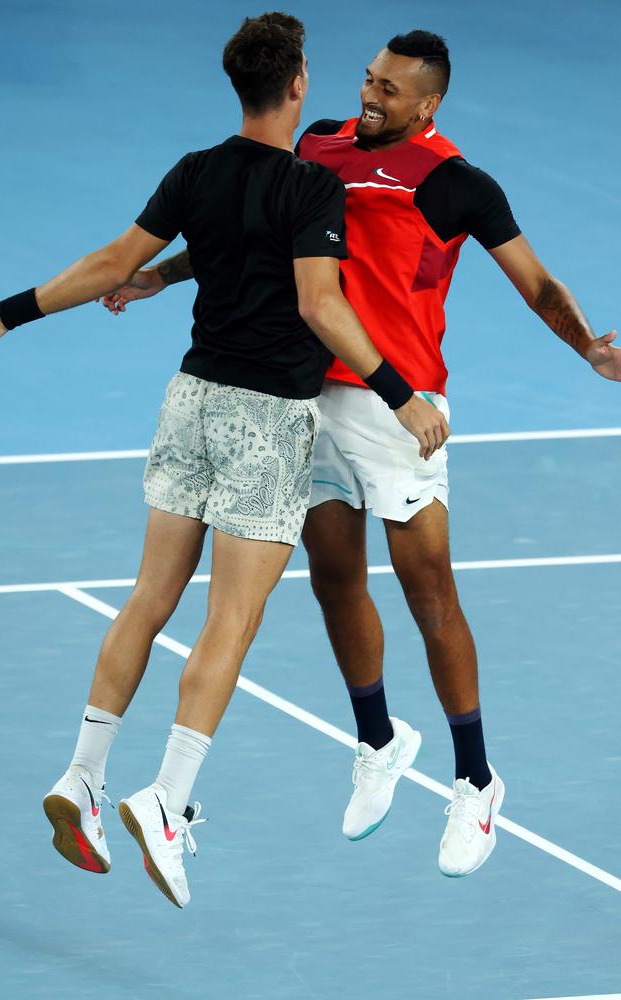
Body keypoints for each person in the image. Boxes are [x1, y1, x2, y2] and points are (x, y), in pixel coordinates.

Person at [105, 29, 620, 880]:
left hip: (403, 408)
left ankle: (476, 778)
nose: (372, 96)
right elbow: (268, 242)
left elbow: (536, 283)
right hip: (309, 395)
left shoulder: (458, 184)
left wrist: (589, 353)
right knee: (334, 578)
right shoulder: (318, 147)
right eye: (369, 79)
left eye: (392, 89)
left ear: (431, 104)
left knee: (430, 592)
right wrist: (163, 275)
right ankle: (378, 741)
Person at [0, 13, 449, 908]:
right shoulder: (310, 186)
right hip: (268, 420)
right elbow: (320, 304)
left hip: (188, 402)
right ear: (298, 82)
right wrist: (399, 392)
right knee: (230, 617)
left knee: (149, 599)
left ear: (241, 85)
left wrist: (0, 316)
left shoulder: (195, 172)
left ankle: (82, 776)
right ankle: (167, 800)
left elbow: (114, 261)